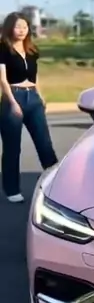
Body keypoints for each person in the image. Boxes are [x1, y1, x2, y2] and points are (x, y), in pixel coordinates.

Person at [0, 12, 58, 202]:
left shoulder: (32, 50)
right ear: (10, 28)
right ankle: (12, 190)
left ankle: (57, 184)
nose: (22, 30)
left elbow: (35, 76)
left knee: (44, 144)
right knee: (12, 148)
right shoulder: (3, 48)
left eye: (25, 27)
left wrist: (41, 96)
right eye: (18, 27)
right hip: (13, 97)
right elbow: (2, 79)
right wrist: (13, 102)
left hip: (33, 98)